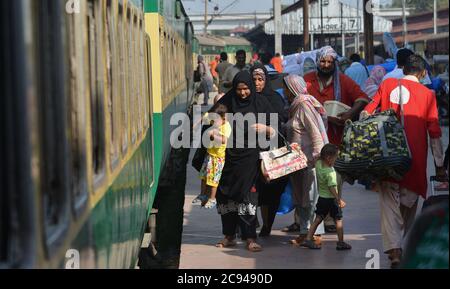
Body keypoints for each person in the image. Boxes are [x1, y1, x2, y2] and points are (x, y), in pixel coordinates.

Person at [362, 54, 447, 268]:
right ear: (423, 73)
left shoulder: (388, 84)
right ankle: (401, 246)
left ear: (404, 70)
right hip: (414, 163)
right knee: (408, 207)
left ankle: (395, 250)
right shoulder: (428, 95)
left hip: (387, 160)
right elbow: (435, 133)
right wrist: (439, 165)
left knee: (389, 206)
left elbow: (366, 113)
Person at [303, 46, 369, 232]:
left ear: (335, 63)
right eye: (322, 61)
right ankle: (304, 218)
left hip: (334, 142)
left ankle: (331, 217)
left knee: (332, 180)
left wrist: (349, 114)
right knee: (310, 181)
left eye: (329, 62)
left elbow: (363, 98)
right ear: (317, 62)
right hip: (311, 140)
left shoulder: (344, 82)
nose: (325, 65)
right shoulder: (307, 81)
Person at [215, 71, 278, 252]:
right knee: (225, 197)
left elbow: (276, 129)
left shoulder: (261, 103)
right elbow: (211, 121)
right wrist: (215, 132)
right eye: (239, 89)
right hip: (228, 158)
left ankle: (250, 237)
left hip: (250, 159)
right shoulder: (227, 102)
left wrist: (265, 128)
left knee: (247, 198)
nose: (242, 93)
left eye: (246, 89)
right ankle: (229, 235)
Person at [282, 75, 329, 246]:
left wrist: (317, 155)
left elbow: (315, 131)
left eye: (286, 88)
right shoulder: (294, 106)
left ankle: (315, 234)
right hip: (297, 161)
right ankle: (304, 232)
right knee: (300, 197)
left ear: (293, 88)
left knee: (311, 198)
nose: (285, 92)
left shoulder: (303, 105)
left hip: (309, 160)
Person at [250, 63, 289, 237]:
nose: (257, 83)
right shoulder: (244, 97)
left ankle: (267, 224)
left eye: (260, 79)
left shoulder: (274, 98)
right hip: (250, 152)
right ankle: (250, 222)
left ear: (266, 80)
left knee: (271, 191)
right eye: (254, 79)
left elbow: (282, 120)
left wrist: (266, 128)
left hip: (271, 152)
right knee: (251, 189)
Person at [301, 144, 352, 250]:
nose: (336, 160)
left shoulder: (319, 164)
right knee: (338, 220)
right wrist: (339, 199)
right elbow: (332, 188)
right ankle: (341, 242)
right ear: (329, 158)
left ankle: (308, 239)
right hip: (331, 200)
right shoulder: (330, 173)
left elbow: (317, 159)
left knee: (318, 218)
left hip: (322, 198)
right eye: (335, 157)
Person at [193, 104, 232, 209]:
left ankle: (212, 198)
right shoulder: (214, 120)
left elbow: (224, 140)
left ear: (224, 119)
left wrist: (212, 135)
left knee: (214, 180)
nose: (213, 122)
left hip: (218, 158)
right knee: (203, 176)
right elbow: (205, 116)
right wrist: (196, 124)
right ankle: (202, 195)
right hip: (209, 155)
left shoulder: (226, 126)